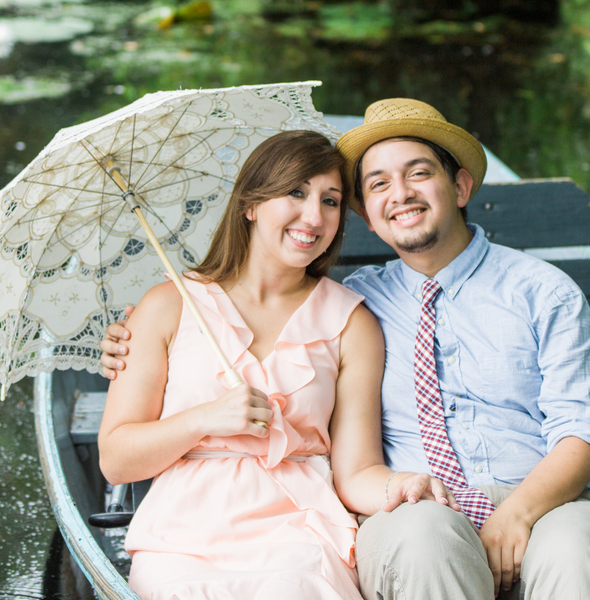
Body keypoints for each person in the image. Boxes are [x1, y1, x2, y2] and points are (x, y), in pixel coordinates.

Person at [102, 100, 590, 600]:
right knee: (423, 538)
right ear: (370, 217)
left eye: (419, 173)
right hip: (417, 508)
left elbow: (582, 428)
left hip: (541, 497)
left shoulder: (542, 292)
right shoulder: (367, 299)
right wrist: (138, 339)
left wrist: (517, 513)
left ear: (461, 185)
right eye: (378, 184)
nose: (400, 193)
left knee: (575, 549)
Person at [97, 129, 460, 600]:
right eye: (295, 192)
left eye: (331, 201)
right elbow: (116, 460)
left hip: (300, 531)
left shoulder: (352, 322)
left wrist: (404, 483)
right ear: (250, 205)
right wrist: (204, 419)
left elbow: (355, 472)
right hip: (183, 536)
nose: (314, 216)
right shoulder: (168, 305)